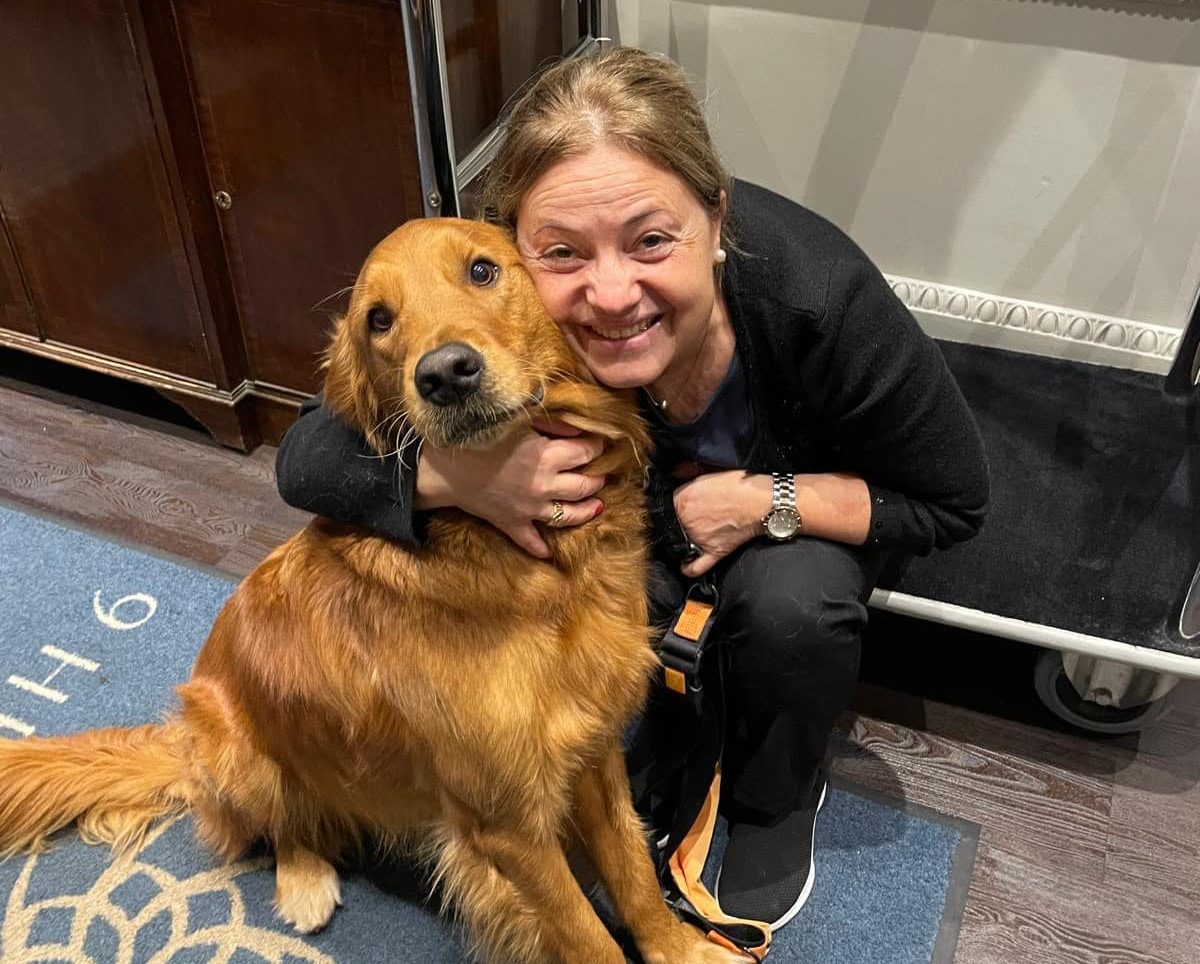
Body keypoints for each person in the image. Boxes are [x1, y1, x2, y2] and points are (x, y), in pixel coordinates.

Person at [274, 46, 989, 932]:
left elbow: (954, 501)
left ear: (717, 218)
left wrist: (765, 498)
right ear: (521, 247)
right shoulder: (495, 290)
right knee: (589, 799)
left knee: (791, 607)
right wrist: (450, 475)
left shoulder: (818, 296)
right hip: (633, 549)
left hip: (785, 536)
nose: (610, 295)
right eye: (564, 252)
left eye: (652, 239)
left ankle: (774, 798)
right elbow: (307, 455)